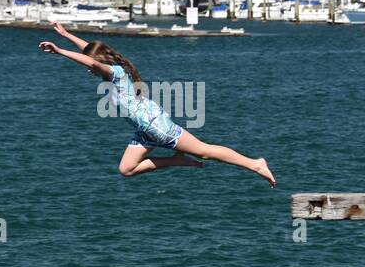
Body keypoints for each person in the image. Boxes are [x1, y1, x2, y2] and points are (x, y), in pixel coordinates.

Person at [39, 22, 275, 187]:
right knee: (127, 169)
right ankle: (177, 160)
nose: (89, 71)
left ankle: (255, 164)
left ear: (98, 63)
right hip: (144, 129)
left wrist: (60, 51)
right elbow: (91, 54)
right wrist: (67, 35)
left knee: (204, 150)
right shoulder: (113, 69)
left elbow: (91, 60)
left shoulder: (115, 73)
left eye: (91, 66)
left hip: (157, 127)